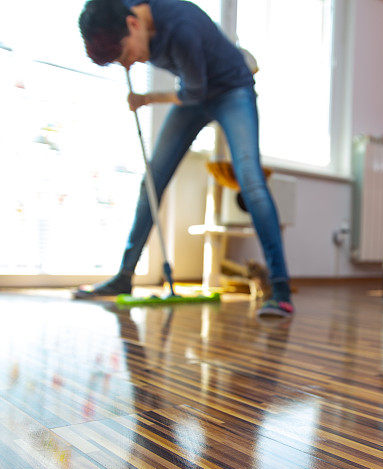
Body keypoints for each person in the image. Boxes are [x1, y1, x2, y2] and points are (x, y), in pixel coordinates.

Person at [76, 0, 293, 317]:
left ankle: (281, 290)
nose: (128, 64)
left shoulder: (181, 28)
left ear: (134, 26)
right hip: (195, 89)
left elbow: (194, 93)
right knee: (153, 180)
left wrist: (146, 98)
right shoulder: (120, 13)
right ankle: (124, 277)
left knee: (251, 183)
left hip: (231, 88)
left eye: (125, 55)